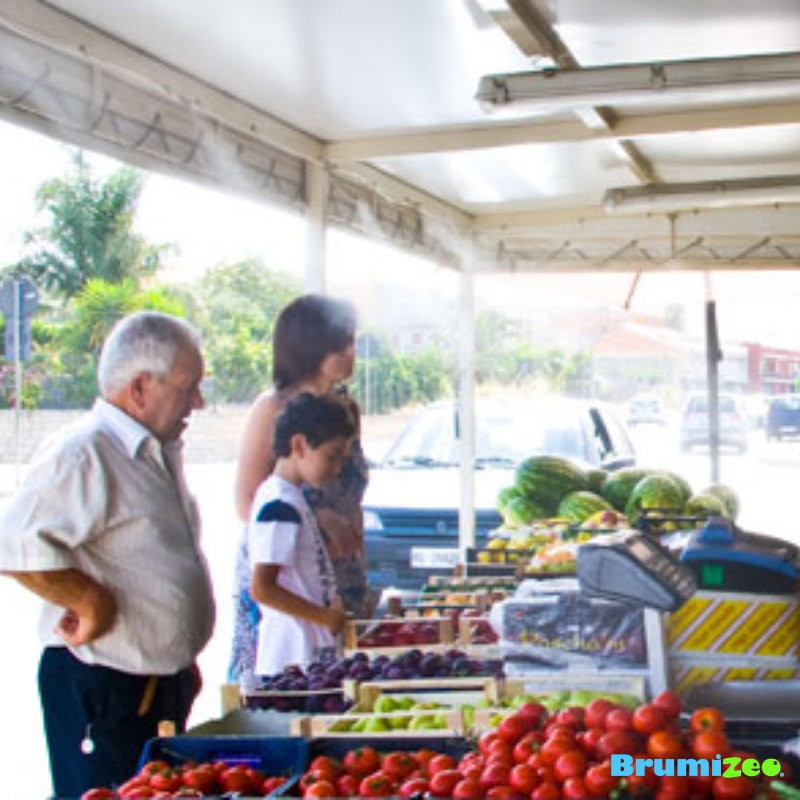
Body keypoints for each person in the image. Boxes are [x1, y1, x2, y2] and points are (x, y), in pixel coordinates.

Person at [0, 311, 215, 799]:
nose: (197, 401)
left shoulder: (153, 450)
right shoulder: (85, 452)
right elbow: (14, 542)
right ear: (140, 387)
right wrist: (88, 599)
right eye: (189, 386)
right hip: (107, 689)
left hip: (157, 687)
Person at [228, 293, 373, 681]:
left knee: (343, 678)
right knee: (290, 679)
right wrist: (316, 518)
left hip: (341, 570)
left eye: (352, 341)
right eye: (340, 342)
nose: (350, 352)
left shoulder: (347, 409)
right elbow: (246, 501)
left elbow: (351, 491)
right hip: (285, 569)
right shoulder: (272, 408)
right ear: (310, 346)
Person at [249, 392, 354, 673]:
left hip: (308, 652)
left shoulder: (292, 498)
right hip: (290, 656)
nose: (337, 468)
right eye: (331, 456)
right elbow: (262, 588)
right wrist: (324, 617)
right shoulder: (279, 504)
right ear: (298, 445)